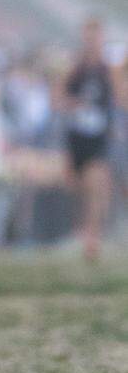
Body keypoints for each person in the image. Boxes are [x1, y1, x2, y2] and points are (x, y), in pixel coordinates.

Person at [59, 18, 118, 260]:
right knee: (79, 188)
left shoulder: (109, 70)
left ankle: (92, 238)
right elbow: (59, 98)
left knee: (96, 184)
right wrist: (75, 104)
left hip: (99, 137)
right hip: (77, 137)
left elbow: (118, 97)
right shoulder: (76, 69)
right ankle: (83, 233)